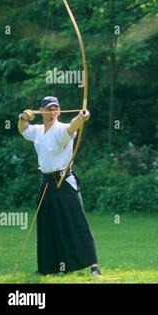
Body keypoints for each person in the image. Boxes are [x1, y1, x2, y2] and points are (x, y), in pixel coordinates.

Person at [18, 96, 101, 275]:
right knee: (48, 224)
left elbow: (72, 126)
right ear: (42, 110)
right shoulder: (38, 130)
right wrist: (23, 118)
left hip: (64, 181)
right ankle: (49, 267)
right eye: (50, 108)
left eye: (56, 108)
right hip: (46, 181)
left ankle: (94, 266)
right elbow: (23, 130)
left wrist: (81, 117)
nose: (54, 111)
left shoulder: (61, 129)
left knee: (77, 222)